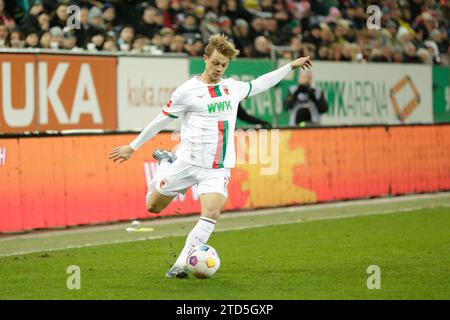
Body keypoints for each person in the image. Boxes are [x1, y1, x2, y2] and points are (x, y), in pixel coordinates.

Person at [108, 34, 311, 278]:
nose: (218, 69)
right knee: (152, 207)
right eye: (215, 62)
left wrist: (290, 66)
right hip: (186, 162)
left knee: (211, 213)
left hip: (217, 167)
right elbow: (160, 120)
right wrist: (133, 146)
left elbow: (260, 83)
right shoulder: (186, 91)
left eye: (223, 65)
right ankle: (164, 163)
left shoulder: (232, 88)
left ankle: (181, 263)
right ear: (205, 58)